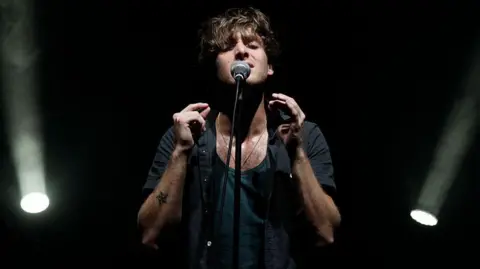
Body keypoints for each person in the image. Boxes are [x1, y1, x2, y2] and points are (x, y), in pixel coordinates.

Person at [138, 7, 341, 269]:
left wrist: (298, 154)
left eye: (253, 45)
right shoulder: (184, 136)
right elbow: (150, 234)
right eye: (228, 46)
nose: (242, 51)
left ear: (269, 67)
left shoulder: (305, 135)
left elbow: (326, 233)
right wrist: (180, 153)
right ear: (215, 65)